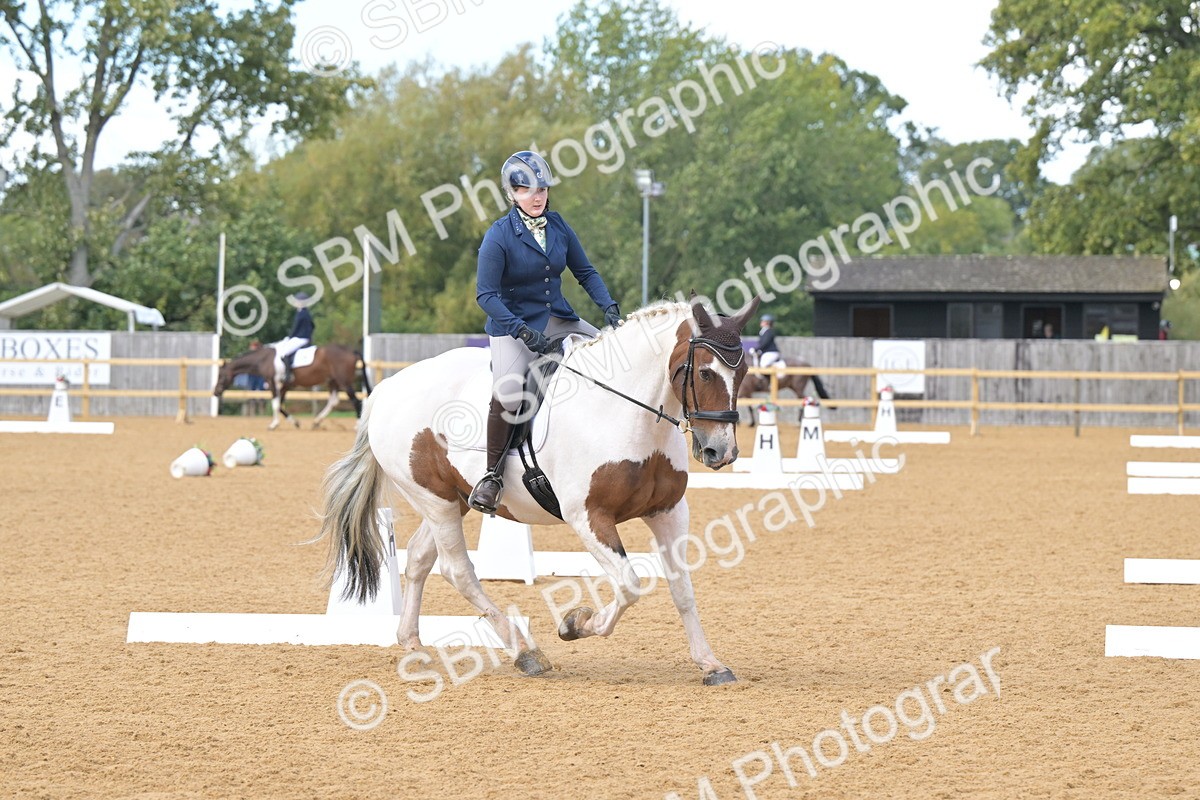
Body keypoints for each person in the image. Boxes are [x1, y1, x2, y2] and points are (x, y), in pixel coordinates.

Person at [467, 150, 622, 514]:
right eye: (526, 190)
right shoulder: (499, 235)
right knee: (508, 393)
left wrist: (609, 308)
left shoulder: (559, 226)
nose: (536, 197)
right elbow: (485, 295)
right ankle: (491, 476)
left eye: (541, 190)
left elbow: (585, 272)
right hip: (512, 325)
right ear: (512, 194)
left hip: (558, 317)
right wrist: (521, 331)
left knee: (612, 357)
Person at [272, 292, 314, 384]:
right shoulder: (306, 313)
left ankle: (288, 375)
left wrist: (290, 337)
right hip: (304, 338)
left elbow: (295, 328)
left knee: (284, 353)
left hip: (300, 338)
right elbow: (313, 326)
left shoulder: (301, 313)